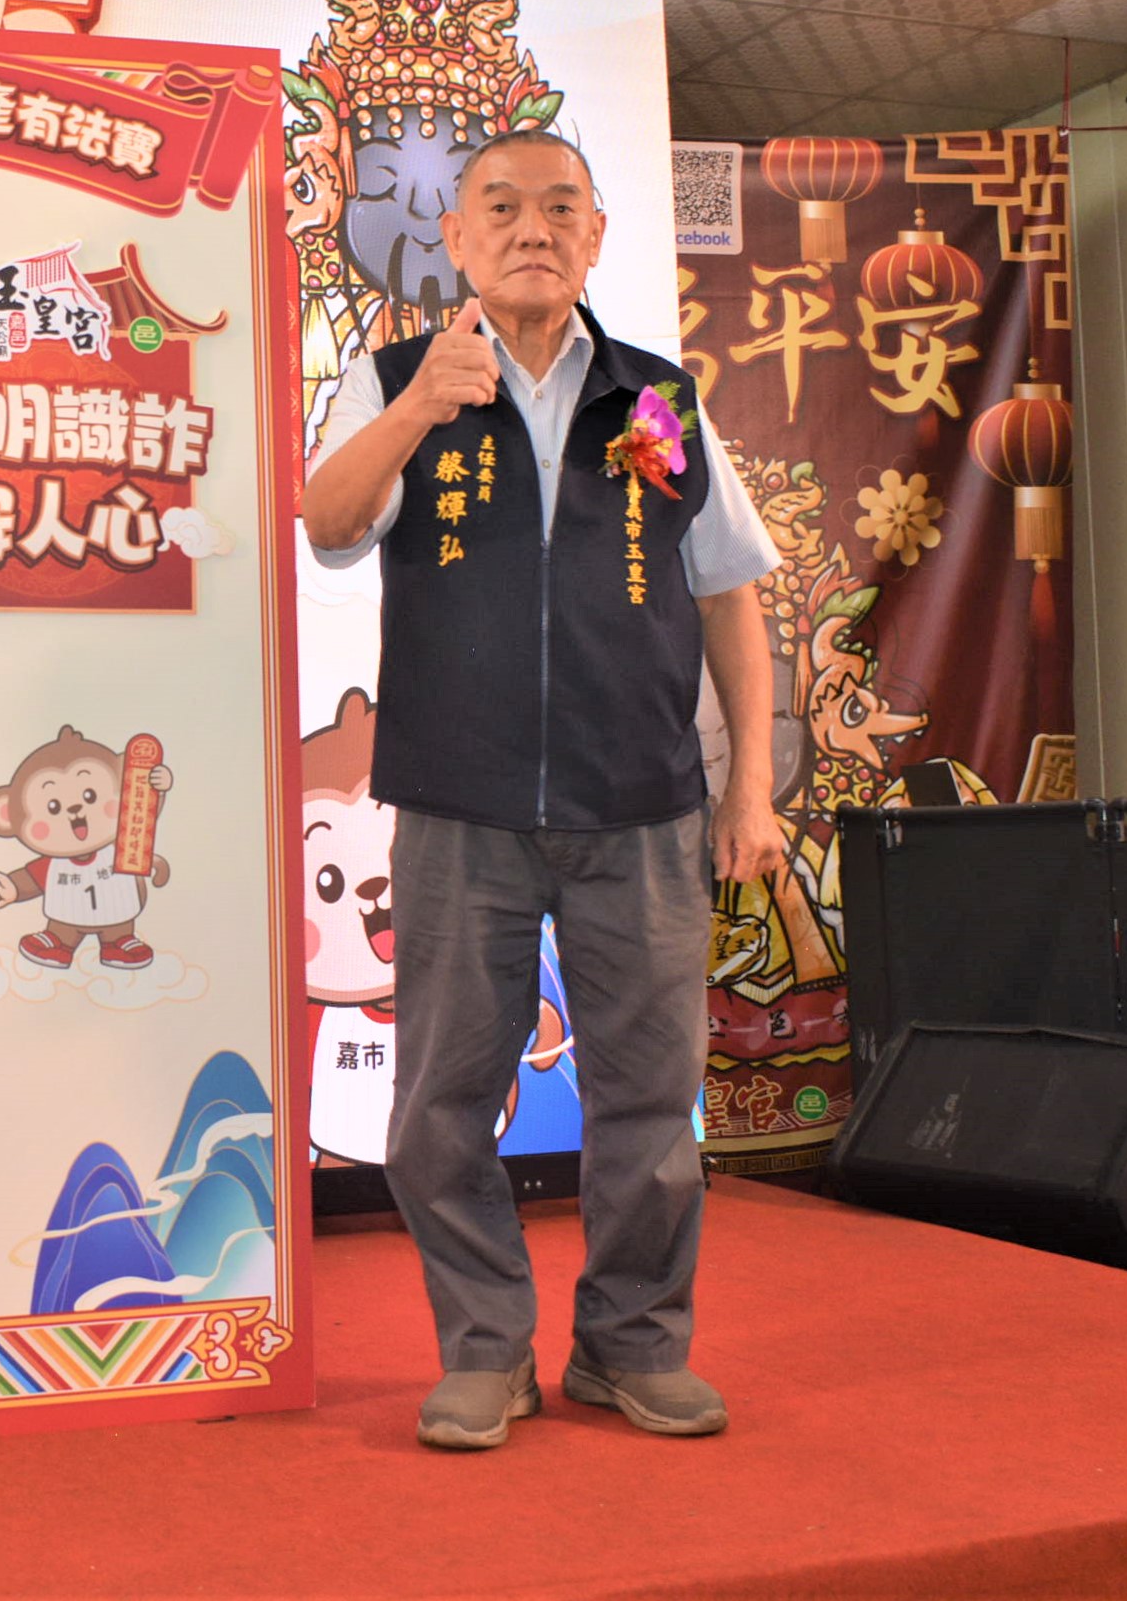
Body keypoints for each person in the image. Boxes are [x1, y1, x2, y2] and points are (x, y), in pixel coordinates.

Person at [301, 129, 786, 1451]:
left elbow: (728, 597)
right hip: (459, 807)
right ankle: (485, 1352)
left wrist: (750, 788)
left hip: (642, 802)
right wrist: (419, 407)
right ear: (456, 240)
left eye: (561, 208)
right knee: (440, 1106)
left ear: (596, 235)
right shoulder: (398, 378)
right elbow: (328, 523)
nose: (534, 229)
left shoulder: (654, 396)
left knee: (651, 1106)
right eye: (503, 208)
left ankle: (631, 1349)